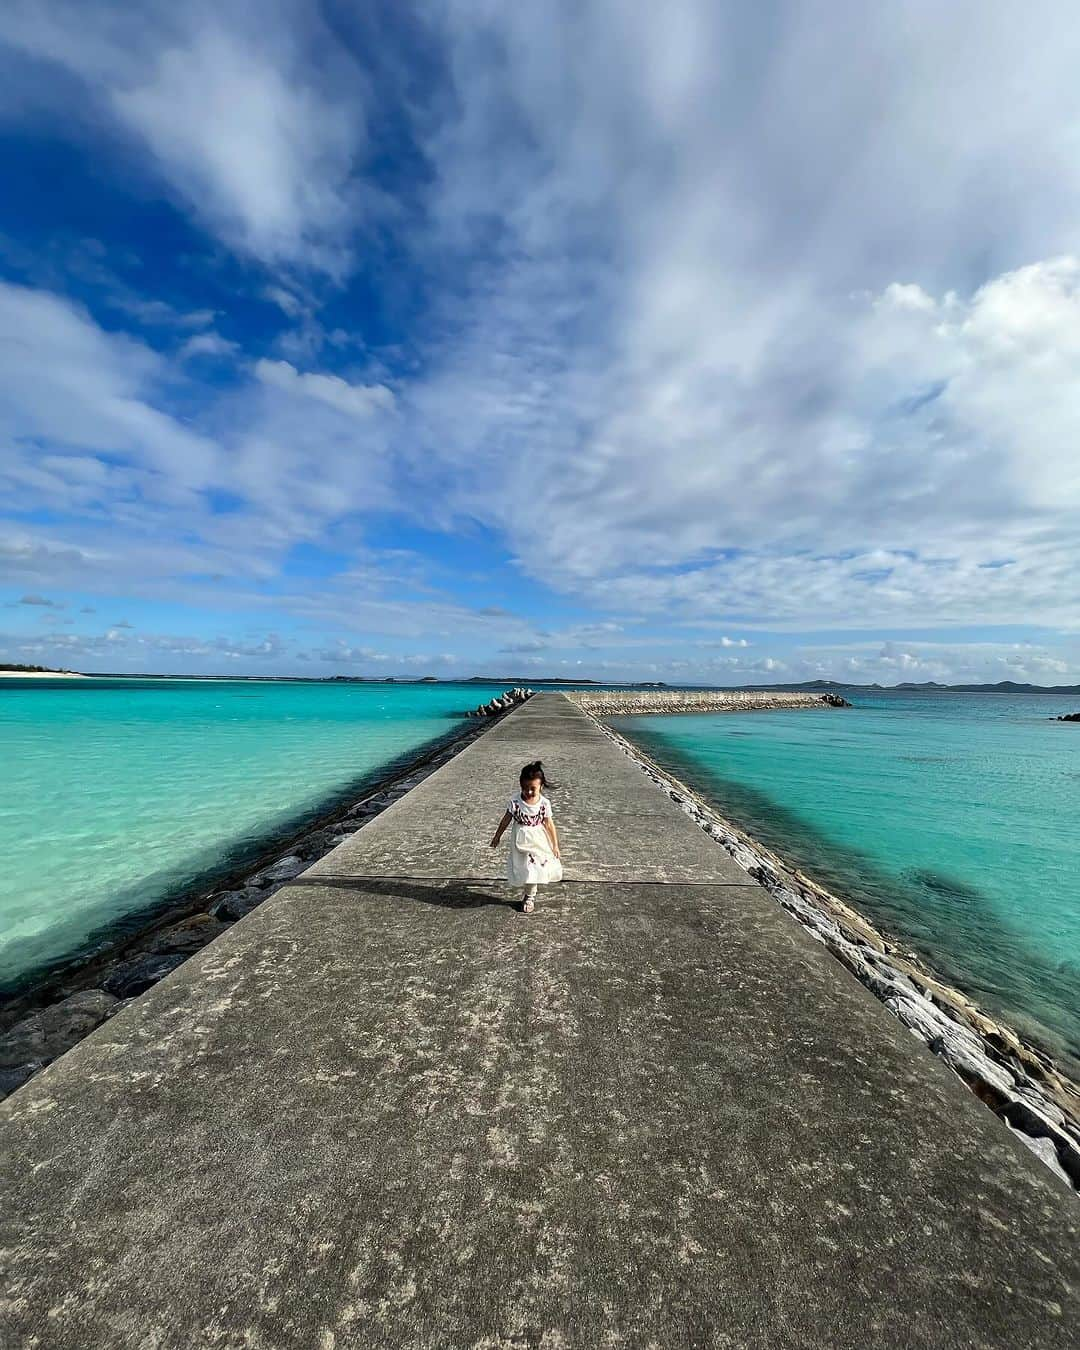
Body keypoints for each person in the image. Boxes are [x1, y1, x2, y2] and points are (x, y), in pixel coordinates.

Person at [489, 760, 562, 913]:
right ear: (520, 784)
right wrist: (497, 836)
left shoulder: (544, 804)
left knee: (533, 870)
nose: (528, 792)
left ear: (541, 786)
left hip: (537, 841)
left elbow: (549, 824)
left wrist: (555, 845)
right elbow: (506, 820)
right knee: (522, 868)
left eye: (532, 789)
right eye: (525, 788)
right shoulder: (515, 801)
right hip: (520, 841)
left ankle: (530, 896)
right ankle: (528, 891)